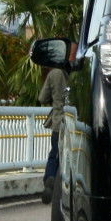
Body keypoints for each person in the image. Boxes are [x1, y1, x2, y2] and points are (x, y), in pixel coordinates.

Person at [37, 45, 72, 205]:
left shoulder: (53, 74)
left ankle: (50, 178)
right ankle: (62, 188)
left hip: (58, 121)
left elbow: (42, 98)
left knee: (55, 154)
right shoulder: (73, 73)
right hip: (72, 121)